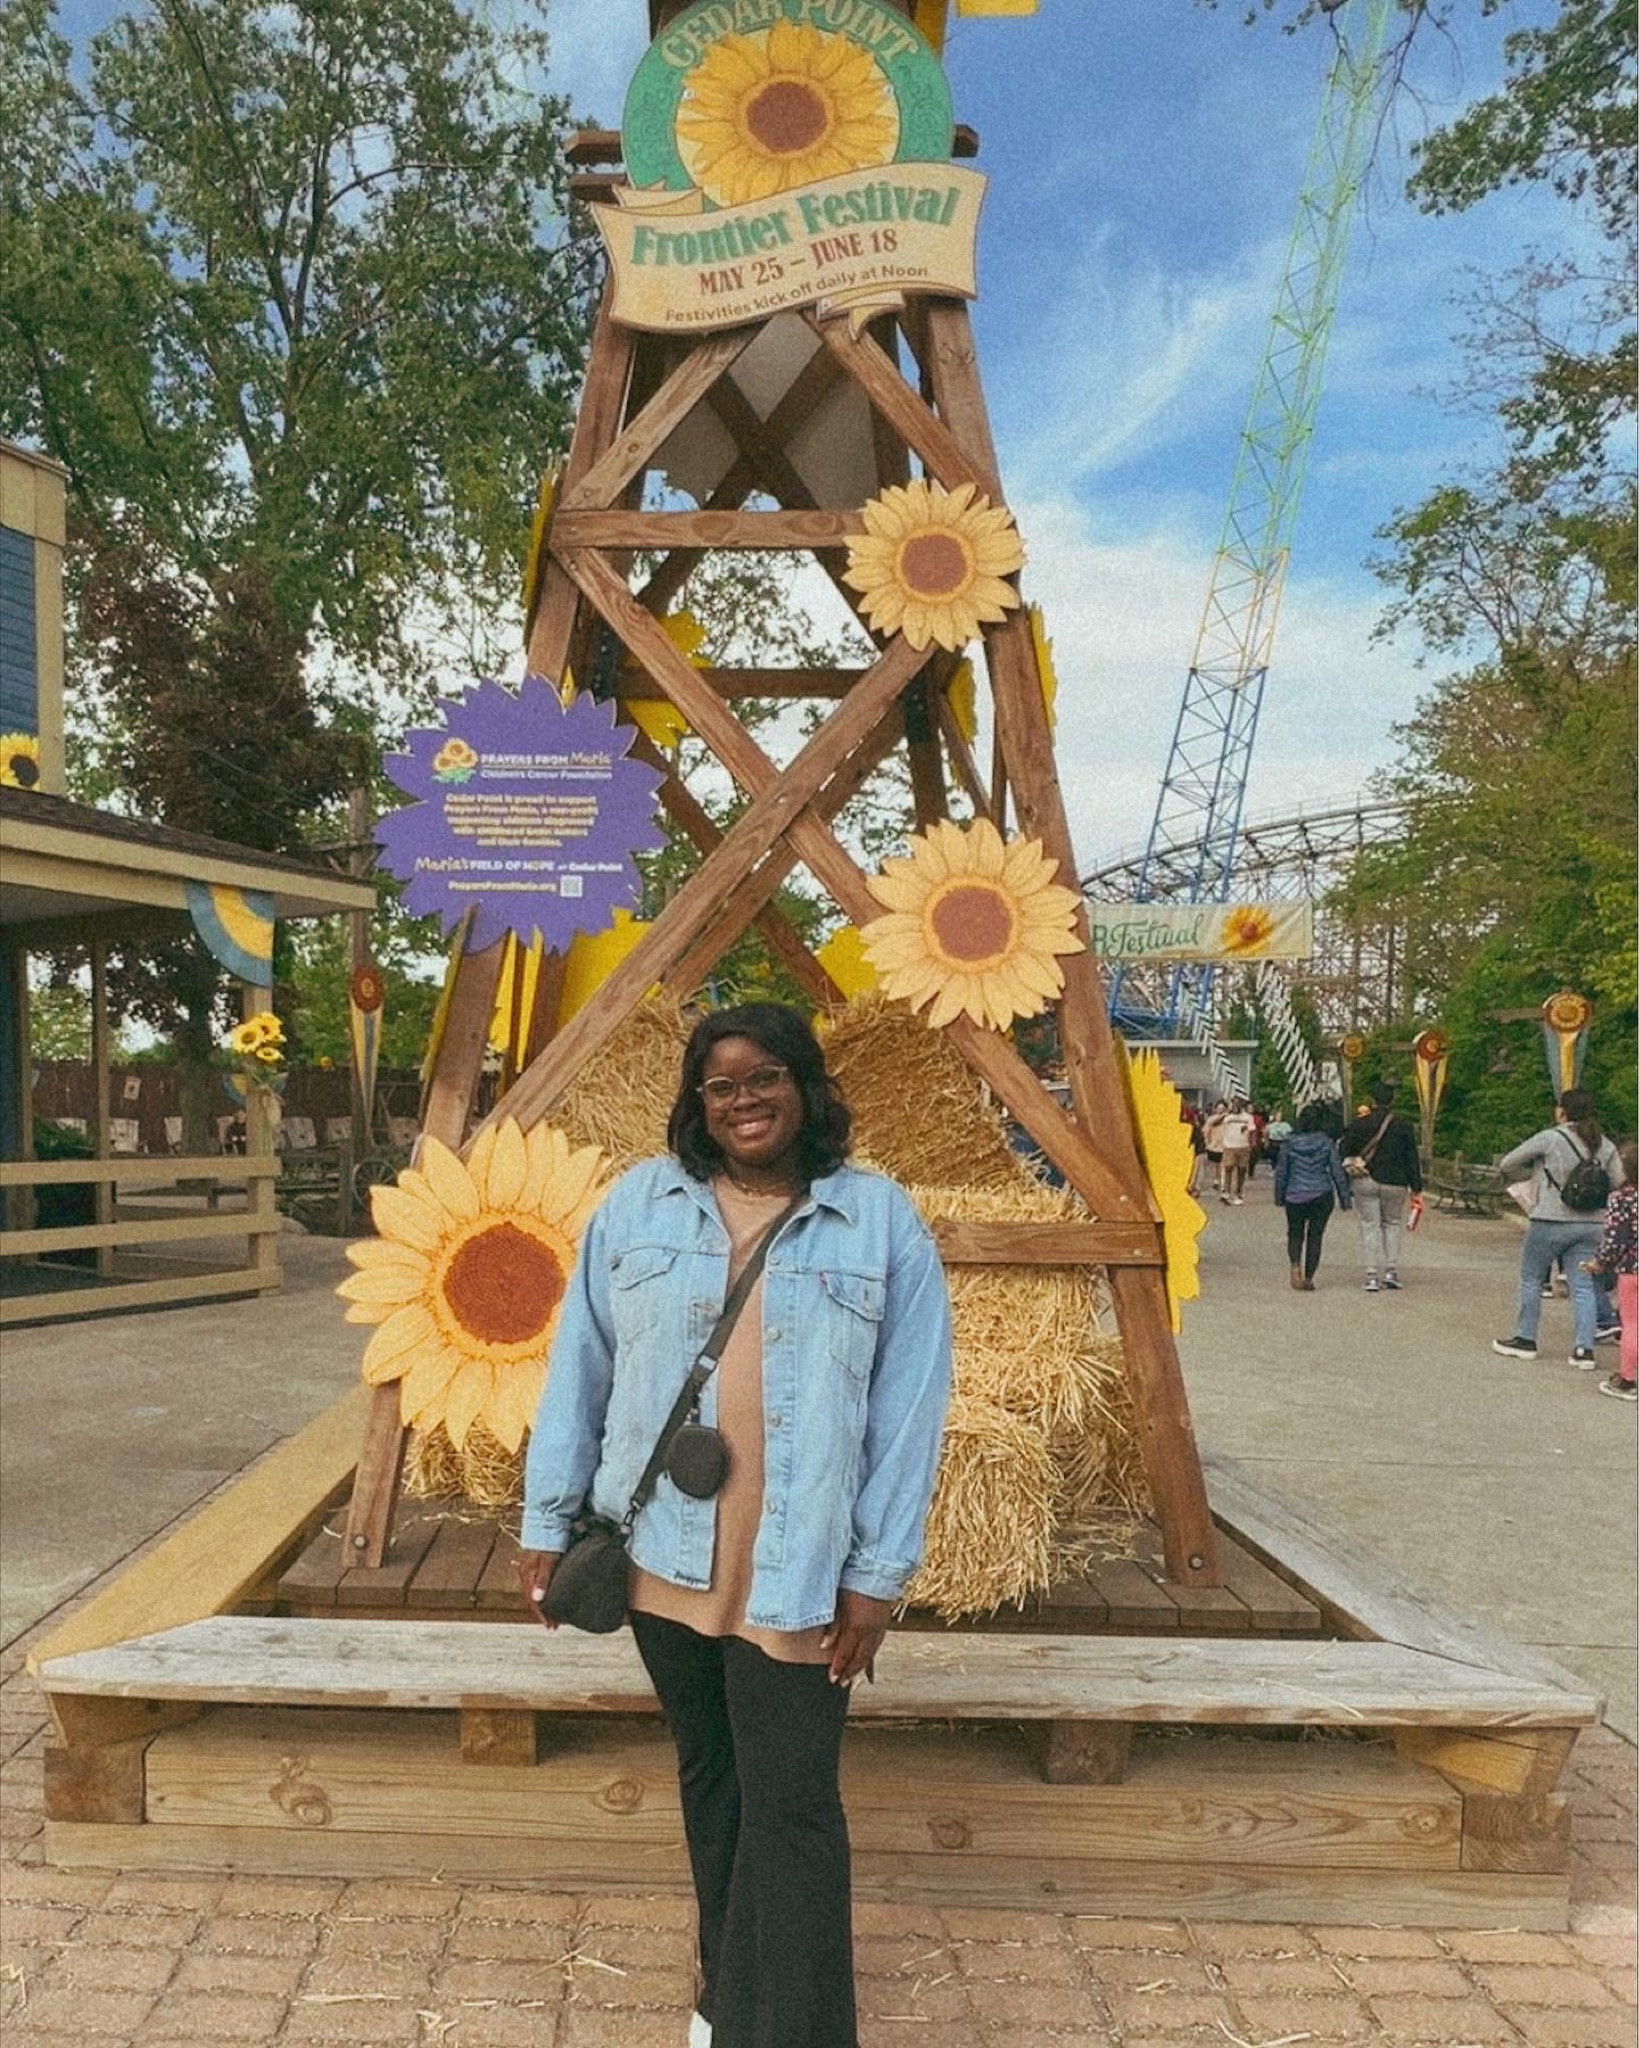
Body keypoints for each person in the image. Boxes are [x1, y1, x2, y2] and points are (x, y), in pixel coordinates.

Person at [517, 1002, 953, 2048]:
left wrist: (876, 1575)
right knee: (712, 1774)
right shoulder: (639, 1205)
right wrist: (546, 1515)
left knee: (792, 1801)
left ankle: (795, 2026)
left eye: (765, 1076)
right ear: (696, 1102)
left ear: (805, 1087)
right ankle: (725, 1998)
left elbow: (910, 1410)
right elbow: (578, 1365)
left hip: (799, 1567)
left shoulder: (879, 1220)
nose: (744, 1098)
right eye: (721, 1084)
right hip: (661, 1552)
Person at [1492, 1088, 1626, 1368]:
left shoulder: (1551, 1138)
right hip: (1591, 1223)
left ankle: (1525, 1339)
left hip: (1550, 1219)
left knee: (1531, 1277)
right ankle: (1583, 1350)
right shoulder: (1606, 1145)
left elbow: (1508, 1163)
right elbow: (1617, 1180)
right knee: (1583, 1285)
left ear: (1562, 1111)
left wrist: (1537, 1176)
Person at [1340, 1082, 1423, 1293]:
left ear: (1372, 1101)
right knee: (1392, 1224)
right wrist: (1416, 1187)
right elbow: (1411, 1158)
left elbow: (1344, 1148)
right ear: (1392, 1101)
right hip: (1396, 1181)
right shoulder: (1403, 1125)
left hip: (1366, 1180)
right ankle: (1391, 1271)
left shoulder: (1360, 1124)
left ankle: (1371, 1275)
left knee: (1370, 1225)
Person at [1273, 1102, 1352, 1289]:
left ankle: (1294, 1266)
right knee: (1315, 1235)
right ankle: (1309, 1277)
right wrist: (1345, 1198)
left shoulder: (1289, 1143)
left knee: (1295, 1233)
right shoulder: (1326, 1142)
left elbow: (1281, 1172)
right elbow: (1336, 1171)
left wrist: (1279, 1196)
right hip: (1321, 1193)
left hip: (1295, 1193)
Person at [1586, 1140, 1636, 1402]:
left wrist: (1600, 1262)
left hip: (1632, 1268)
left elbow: (1615, 1238)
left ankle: (1627, 1379)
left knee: (1632, 1324)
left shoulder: (1622, 1198)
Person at [1216, 1099, 1256, 1204]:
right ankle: (1226, 1192)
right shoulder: (1227, 1117)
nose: (1235, 1106)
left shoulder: (1248, 1117)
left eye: (1238, 1104)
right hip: (1229, 1146)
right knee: (1228, 1167)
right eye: (1233, 1104)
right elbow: (1221, 1129)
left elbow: (1252, 1131)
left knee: (1241, 1169)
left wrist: (1252, 1144)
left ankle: (1239, 1192)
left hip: (1243, 1146)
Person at [1201, 1100, 1227, 1194]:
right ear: (1216, 1109)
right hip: (1213, 1145)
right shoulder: (1211, 1119)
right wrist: (1207, 1142)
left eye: (1223, 1108)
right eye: (1219, 1108)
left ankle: (1223, 1183)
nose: (1221, 1110)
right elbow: (1206, 1130)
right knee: (1214, 1165)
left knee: (1223, 1165)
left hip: (1224, 1145)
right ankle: (1215, 1181)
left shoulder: (1228, 1119)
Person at [1263, 1106, 1293, 1175]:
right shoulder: (1271, 1125)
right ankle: (1274, 1169)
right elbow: (1266, 1133)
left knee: (1281, 1157)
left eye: (1280, 1116)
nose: (1279, 1117)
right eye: (1278, 1116)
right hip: (1273, 1142)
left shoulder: (1286, 1125)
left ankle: (1281, 1170)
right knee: (1274, 1156)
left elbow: (1289, 1133)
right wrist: (1266, 1142)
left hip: (1282, 1142)